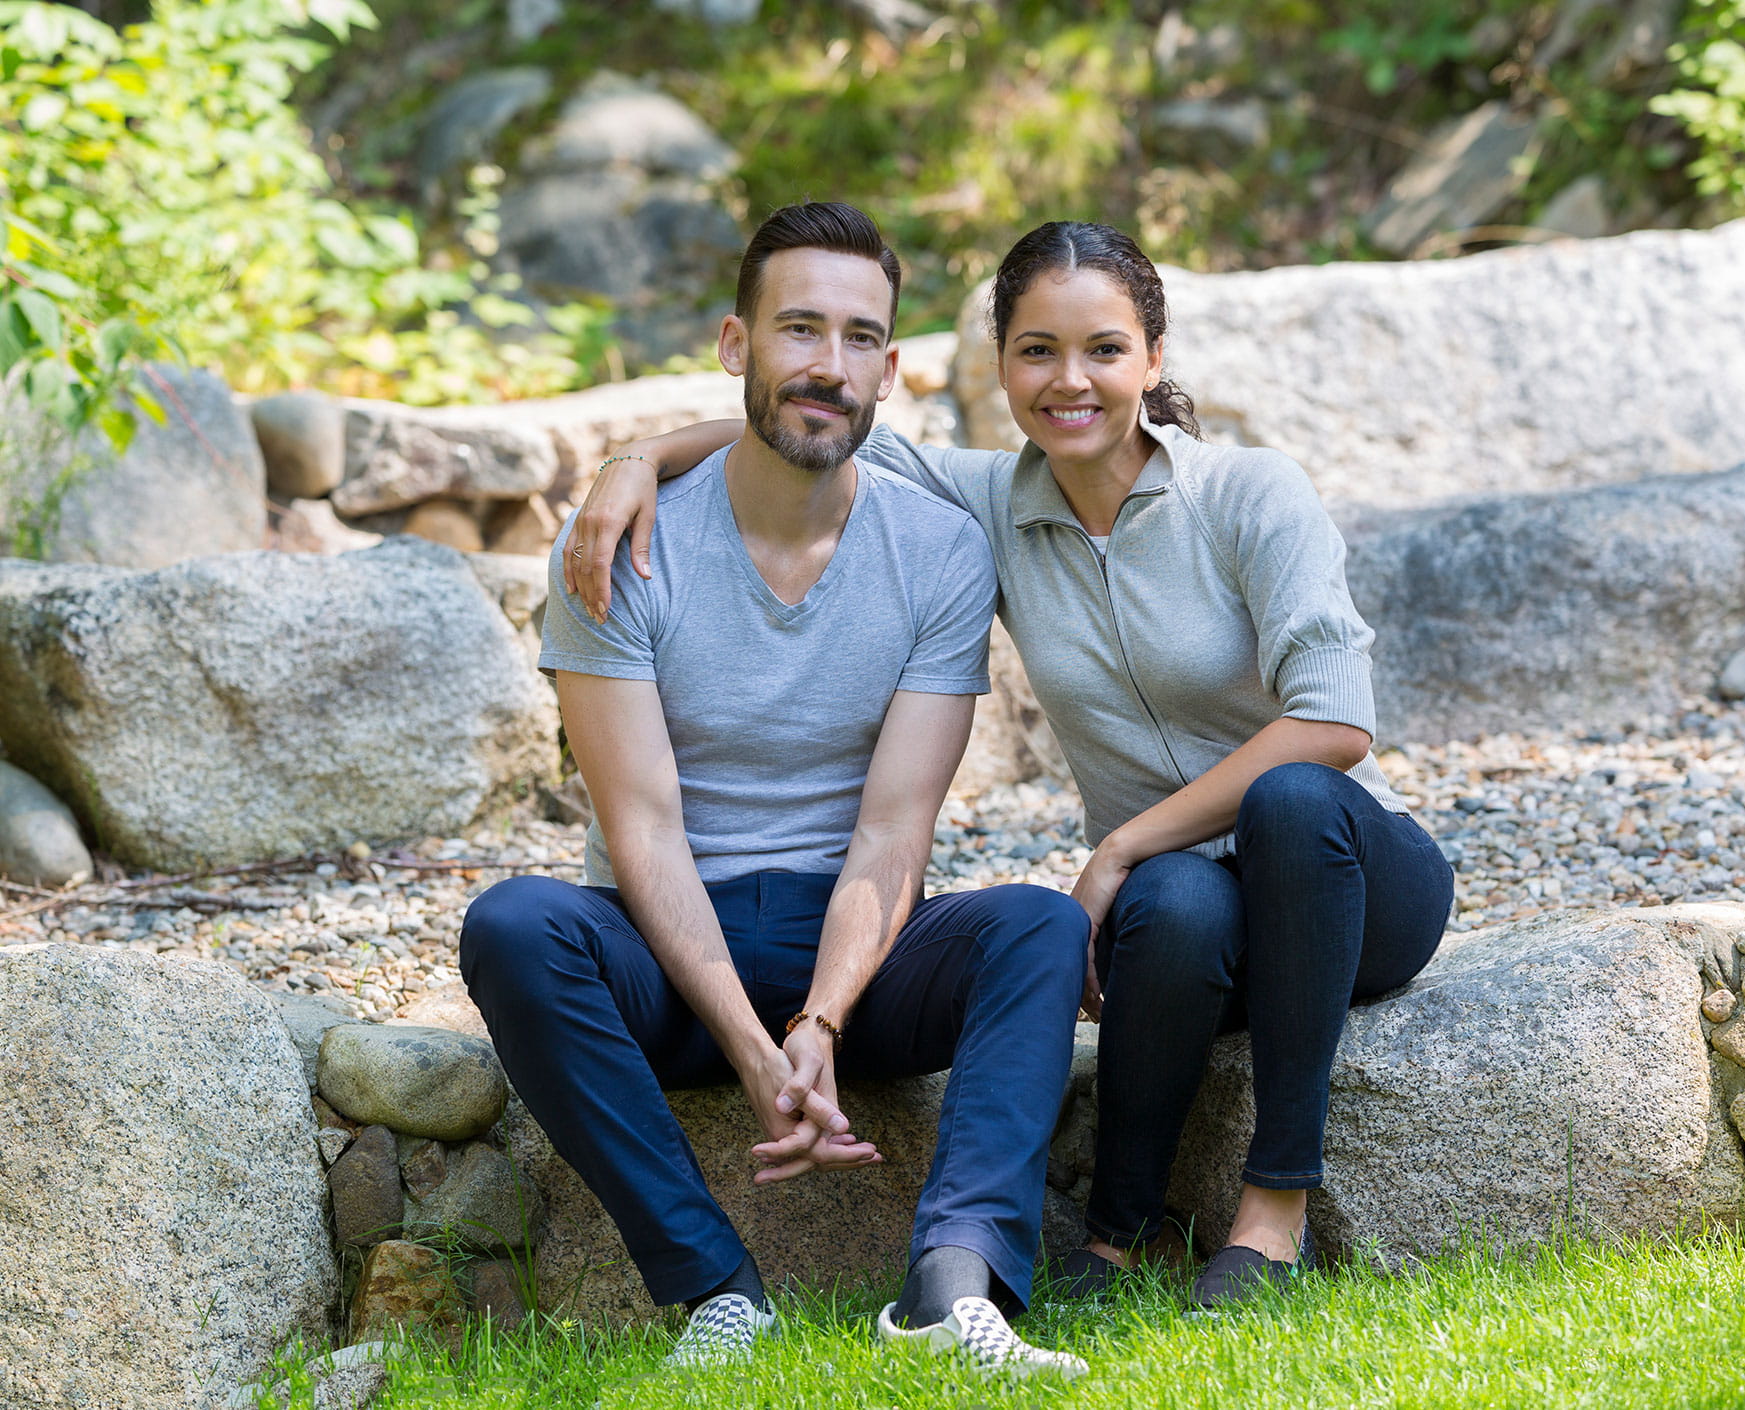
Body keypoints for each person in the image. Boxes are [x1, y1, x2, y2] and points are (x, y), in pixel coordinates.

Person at [566, 219, 1457, 1312]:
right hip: (1195, 896)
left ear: (1153, 360)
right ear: (998, 368)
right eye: (1035, 350)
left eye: (1102, 350)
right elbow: (807, 421)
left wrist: (1116, 847)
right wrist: (634, 461)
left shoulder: (1248, 494)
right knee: (1173, 903)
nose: (1068, 381)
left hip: (1346, 881)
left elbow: (1333, 723)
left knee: (1280, 800)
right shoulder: (989, 502)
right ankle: (1119, 1236)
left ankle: (1271, 1211)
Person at [459, 202, 1090, 1376]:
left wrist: (819, 1023)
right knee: (514, 925)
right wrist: (752, 1051)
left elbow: (893, 831)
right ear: (733, 346)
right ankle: (715, 1291)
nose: (827, 365)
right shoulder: (617, 545)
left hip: (847, 948)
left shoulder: (939, 550)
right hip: (663, 948)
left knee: (1038, 927)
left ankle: (951, 1294)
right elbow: (640, 830)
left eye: (859, 339)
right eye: (798, 328)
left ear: (891, 370)